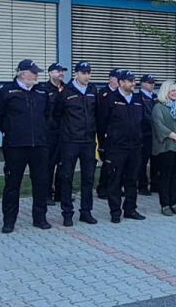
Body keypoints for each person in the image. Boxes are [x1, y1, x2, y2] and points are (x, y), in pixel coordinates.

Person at [0, 59, 52, 233]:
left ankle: (40, 218)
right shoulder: (6, 91)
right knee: (12, 184)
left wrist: (43, 131)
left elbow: (48, 114)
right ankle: (9, 221)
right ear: (22, 73)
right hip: (15, 145)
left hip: (39, 144)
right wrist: (10, 130)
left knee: (41, 182)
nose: (36, 76)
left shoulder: (41, 91)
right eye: (33, 72)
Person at [96, 69, 147, 223]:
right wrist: (104, 146)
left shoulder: (138, 99)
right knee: (115, 180)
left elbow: (142, 122)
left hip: (135, 147)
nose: (133, 83)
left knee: (132, 180)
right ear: (121, 82)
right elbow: (101, 123)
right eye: (130, 81)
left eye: (134, 80)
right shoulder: (110, 99)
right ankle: (115, 211)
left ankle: (130, 209)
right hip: (116, 147)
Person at [55, 61, 99, 227]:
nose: (87, 76)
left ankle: (86, 212)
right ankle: (67, 213)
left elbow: (97, 114)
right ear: (76, 74)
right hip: (70, 141)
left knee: (88, 177)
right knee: (67, 177)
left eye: (89, 73)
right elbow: (57, 114)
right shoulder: (65, 91)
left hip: (88, 141)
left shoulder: (92, 90)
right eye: (83, 73)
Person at [151, 80, 176, 216]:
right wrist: (173, 135)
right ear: (165, 92)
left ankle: (174, 203)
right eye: (172, 90)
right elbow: (158, 124)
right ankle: (165, 205)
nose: (175, 93)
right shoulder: (158, 107)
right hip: (166, 146)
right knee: (165, 176)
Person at [41, 63, 68, 204]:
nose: (61, 73)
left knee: (63, 164)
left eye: (62, 71)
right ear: (50, 73)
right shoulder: (43, 89)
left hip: (65, 132)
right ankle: (46, 194)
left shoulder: (67, 89)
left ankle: (60, 193)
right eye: (58, 71)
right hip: (49, 133)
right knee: (48, 164)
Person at [95, 68, 121, 198]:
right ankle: (102, 188)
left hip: (119, 133)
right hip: (105, 133)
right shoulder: (102, 94)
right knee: (107, 162)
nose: (119, 81)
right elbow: (99, 115)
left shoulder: (121, 94)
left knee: (118, 162)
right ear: (111, 78)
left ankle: (115, 187)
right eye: (117, 78)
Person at [136, 74, 158, 195]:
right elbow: (143, 116)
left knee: (156, 160)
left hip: (155, 134)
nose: (152, 85)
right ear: (143, 83)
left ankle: (155, 184)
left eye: (153, 83)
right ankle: (142, 186)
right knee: (142, 161)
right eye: (150, 83)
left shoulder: (155, 97)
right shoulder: (138, 97)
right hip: (145, 134)